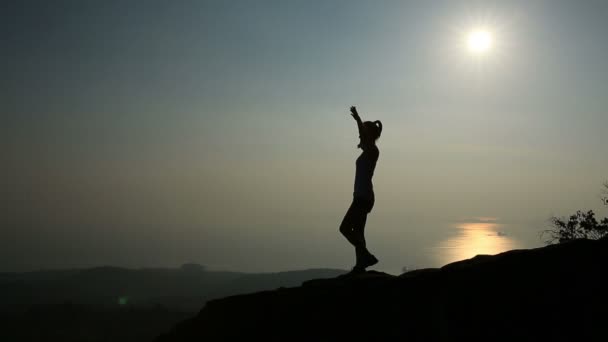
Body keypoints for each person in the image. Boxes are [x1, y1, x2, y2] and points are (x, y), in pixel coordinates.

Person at [339, 106, 382, 273]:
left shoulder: (373, 151)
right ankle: (360, 265)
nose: (359, 136)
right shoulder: (369, 152)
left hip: (363, 197)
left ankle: (366, 256)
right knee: (358, 231)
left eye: (362, 133)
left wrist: (358, 120)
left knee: (344, 228)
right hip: (362, 196)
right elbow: (364, 136)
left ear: (368, 135)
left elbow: (364, 135)